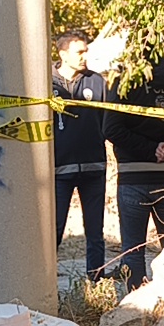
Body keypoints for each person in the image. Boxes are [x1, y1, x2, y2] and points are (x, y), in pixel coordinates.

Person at [102, 54, 164, 289]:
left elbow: (110, 129)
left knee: (133, 251)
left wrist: (149, 149)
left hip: (132, 177)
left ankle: (133, 310)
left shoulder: (125, 84)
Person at [51, 30, 108, 280]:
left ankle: (95, 281)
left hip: (94, 167)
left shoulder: (97, 81)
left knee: (95, 231)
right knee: (54, 230)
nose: (85, 56)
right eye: (79, 52)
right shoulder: (46, 83)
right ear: (63, 54)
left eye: (86, 51)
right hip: (59, 169)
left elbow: (107, 120)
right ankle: (45, 282)